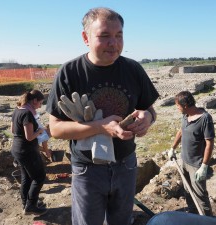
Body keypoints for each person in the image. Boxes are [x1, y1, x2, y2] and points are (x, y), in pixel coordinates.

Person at [46, 7, 159, 225]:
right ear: (85, 38)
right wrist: (101, 126)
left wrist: (148, 118)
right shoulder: (70, 73)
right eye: (104, 36)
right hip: (87, 169)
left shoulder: (133, 69)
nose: (114, 43)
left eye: (119, 36)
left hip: (126, 164)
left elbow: (150, 109)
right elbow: (56, 129)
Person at [168, 90, 214, 216]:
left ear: (185, 106)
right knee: (188, 191)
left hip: (196, 165)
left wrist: (204, 166)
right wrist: (173, 148)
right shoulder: (185, 115)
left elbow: (209, 143)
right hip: (184, 161)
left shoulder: (205, 118)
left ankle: (207, 220)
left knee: (200, 195)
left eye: (177, 105)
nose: (177, 108)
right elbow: (181, 130)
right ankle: (193, 215)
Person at [10, 90, 48, 215]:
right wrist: (40, 131)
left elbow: (12, 130)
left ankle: (25, 203)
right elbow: (30, 137)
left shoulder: (18, 110)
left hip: (17, 149)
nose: (40, 106)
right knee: (39, 177)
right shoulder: (27, 113)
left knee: (26, 177)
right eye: (40, 103)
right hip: (27, 150)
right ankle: (31, 205)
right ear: (34, 100)